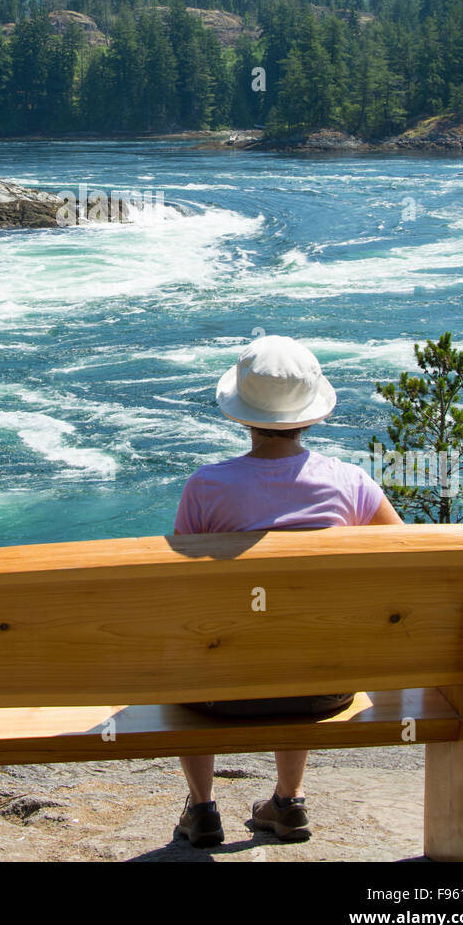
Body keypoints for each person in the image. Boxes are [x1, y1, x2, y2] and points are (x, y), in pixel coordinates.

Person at [173, 334, 403, 849]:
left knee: (195, 648)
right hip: (321, 689)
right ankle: (288, 801)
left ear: (242, 412)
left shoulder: (206, 487)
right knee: (302, 647)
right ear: (312, 410)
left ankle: (203, 808)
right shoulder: (352, 483)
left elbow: (182, 594)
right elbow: (408, 561)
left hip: (218, 695)